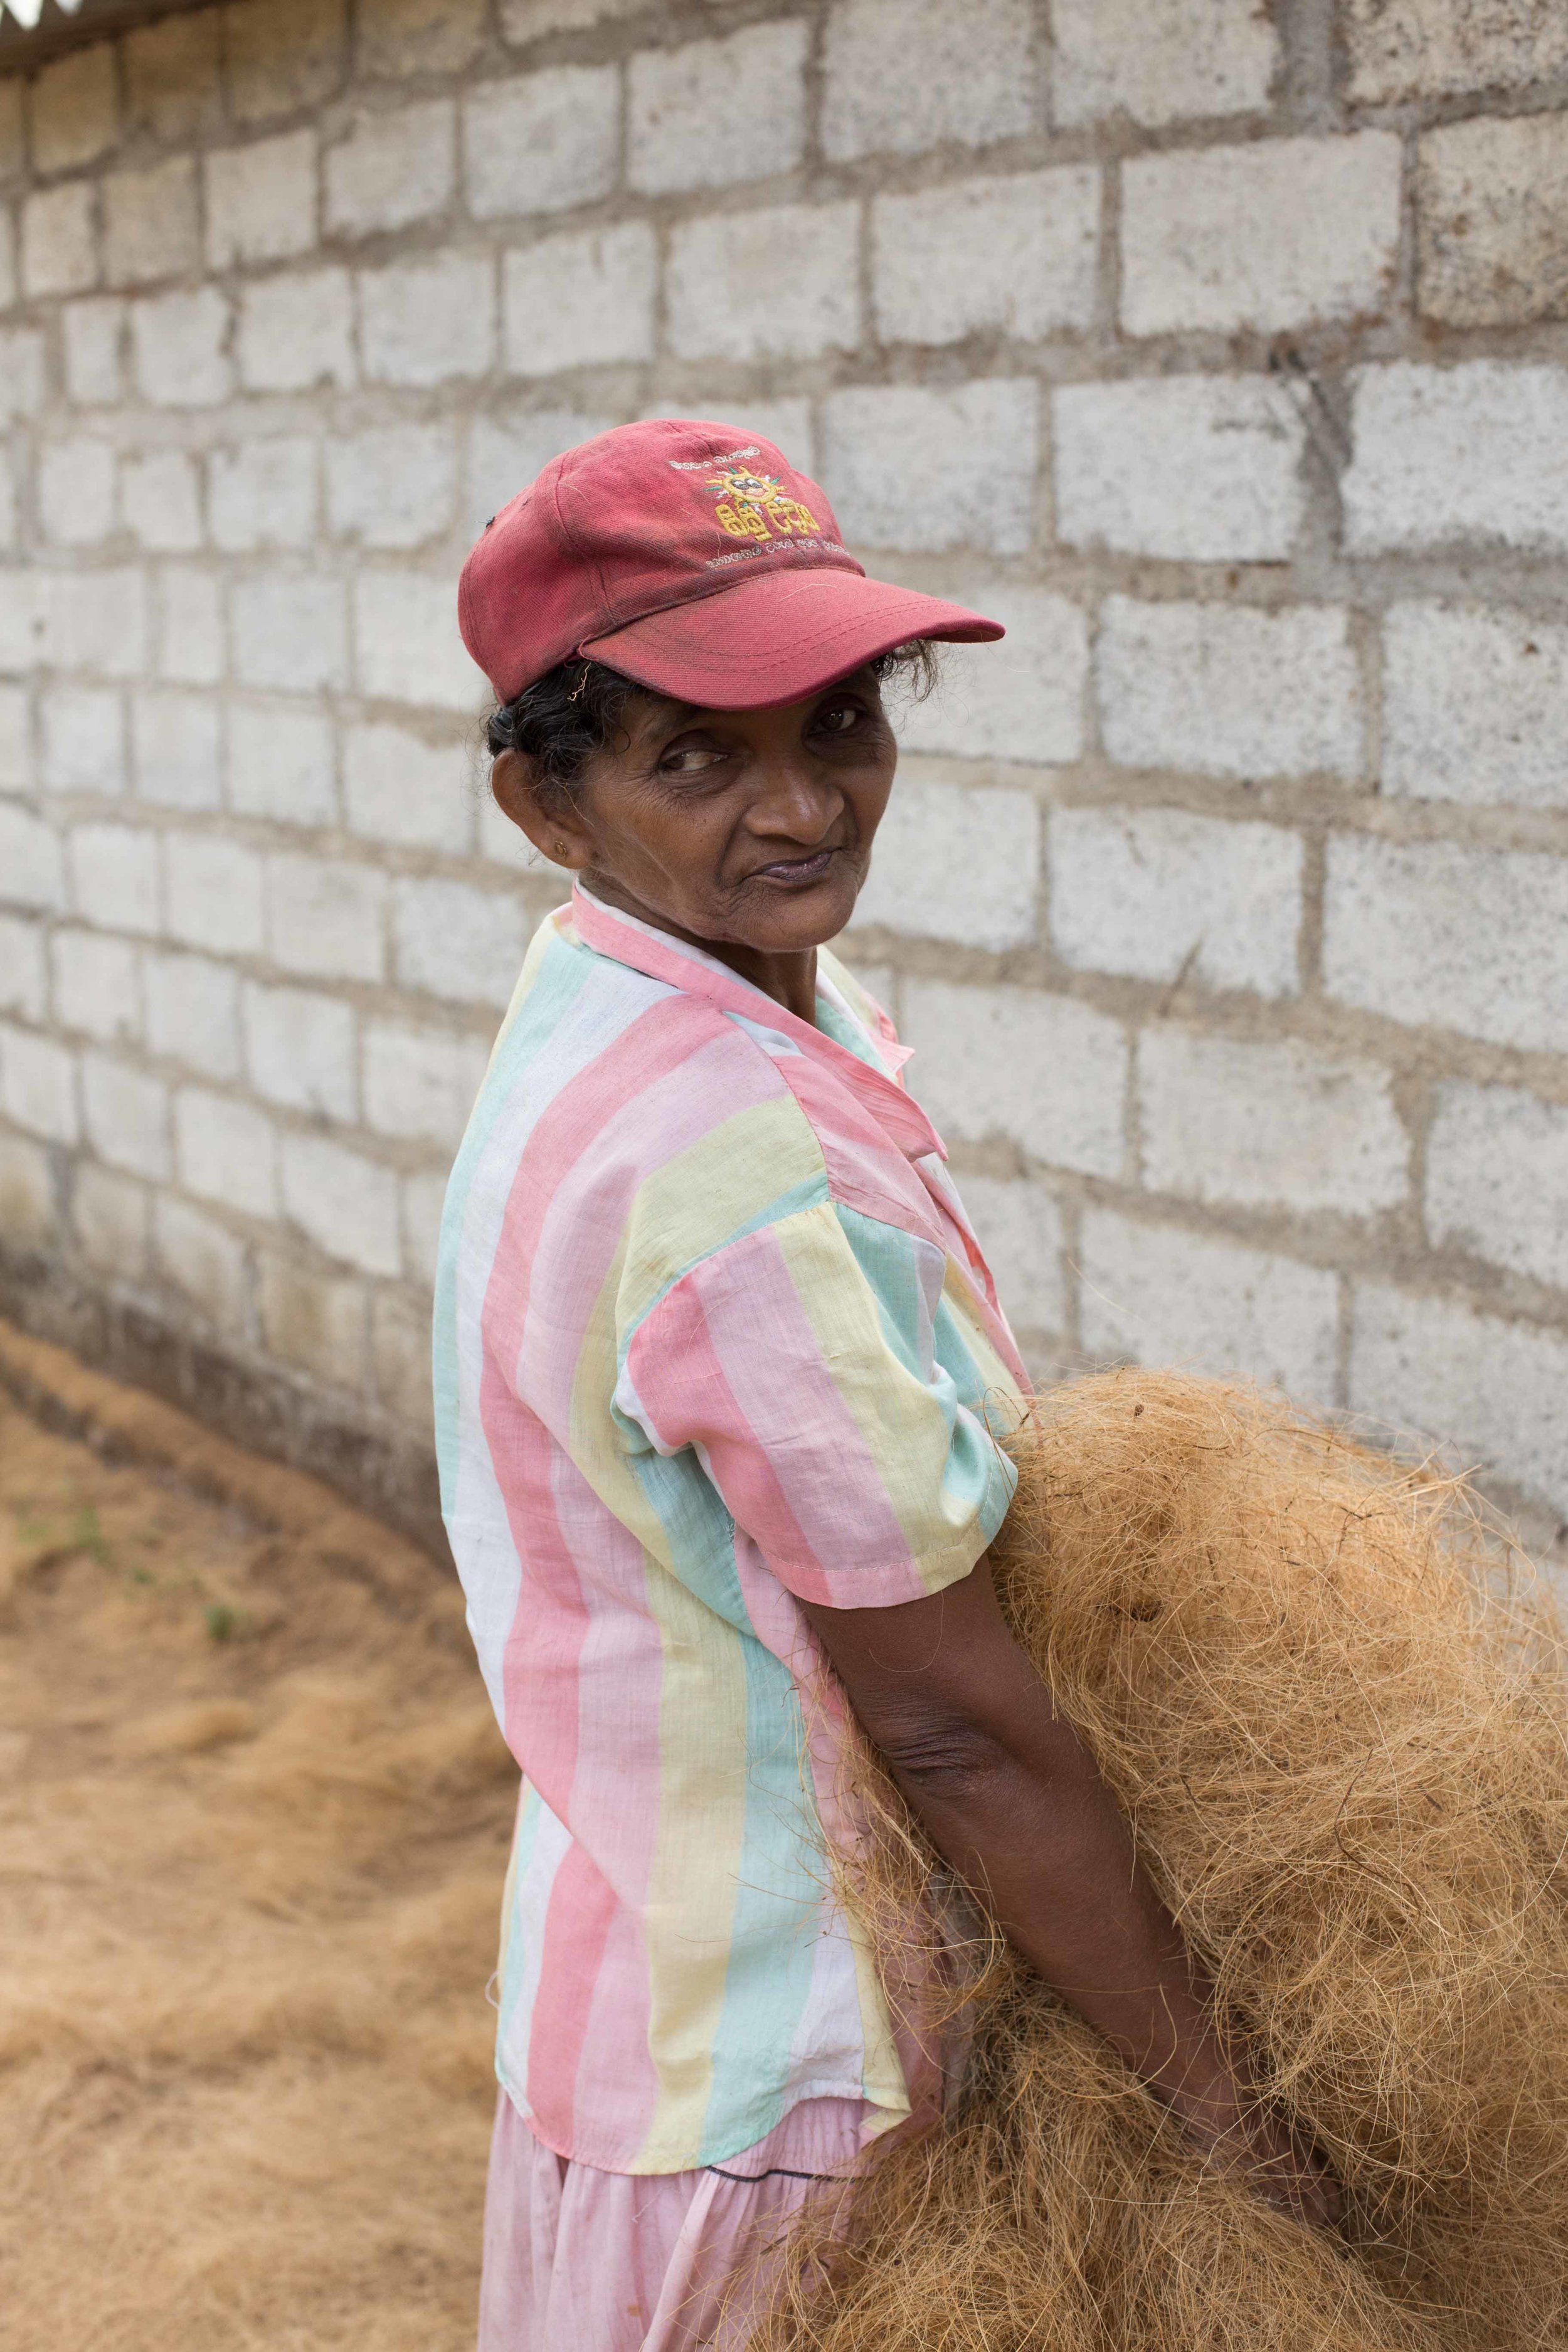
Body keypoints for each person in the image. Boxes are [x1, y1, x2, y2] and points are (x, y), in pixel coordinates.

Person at [437, 418, 1339, 2352]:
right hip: (788, 2096)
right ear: (548, 801)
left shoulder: (617, 1006)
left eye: (839, 723)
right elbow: (948, 1731)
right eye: (698, 755)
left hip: (638, 1991)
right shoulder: (726, 1166)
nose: (802, 806)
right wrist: (1232, 2119)